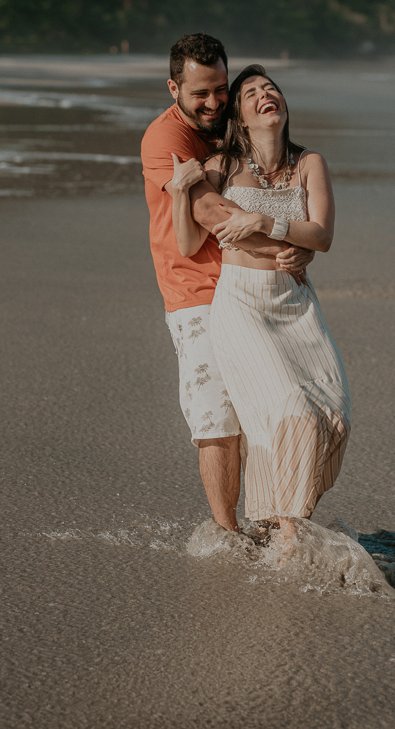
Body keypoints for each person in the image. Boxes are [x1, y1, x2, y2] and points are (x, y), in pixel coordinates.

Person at [141, 35, 314, 533]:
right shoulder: (165, 140)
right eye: (200, 93)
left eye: (220, 88)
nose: (213, 102)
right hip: (195, 291)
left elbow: (279, 193)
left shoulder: (233, 128)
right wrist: (286, 247)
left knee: (272, 405)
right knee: (218, 419)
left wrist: (295, 244)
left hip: (254, 288)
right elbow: (210, 214)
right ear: (174, 87)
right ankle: (227, 531)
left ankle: (274, 521)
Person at [171, 64, 350, 534]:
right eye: (251, 93)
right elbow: (191, 239)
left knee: (332, 415)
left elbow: (323, 236)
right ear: (240, 116)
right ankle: (290, 538)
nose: (265, 95)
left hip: (297, 303)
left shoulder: (309, 163)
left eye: (271, 89)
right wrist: (180, 191)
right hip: (244, 304)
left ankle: (279, 518)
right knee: (293, 412)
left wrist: (263, 223)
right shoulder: (221, 166)